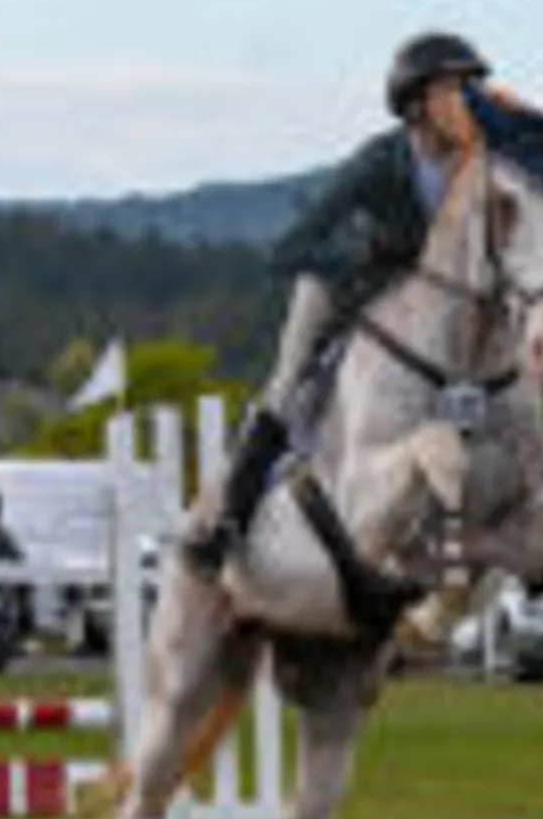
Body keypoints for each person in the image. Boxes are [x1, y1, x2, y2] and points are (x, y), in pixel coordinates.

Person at [182, 30, 493, 578]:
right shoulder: (377, 164)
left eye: (471, 90)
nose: (467, 103)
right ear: (416, 103)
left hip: (427, 308)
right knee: (286, 384)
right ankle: (228, 522)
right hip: (344, 289)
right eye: (452, 90)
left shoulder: (479, 164)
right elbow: (291, 247)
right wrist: (362, 254)